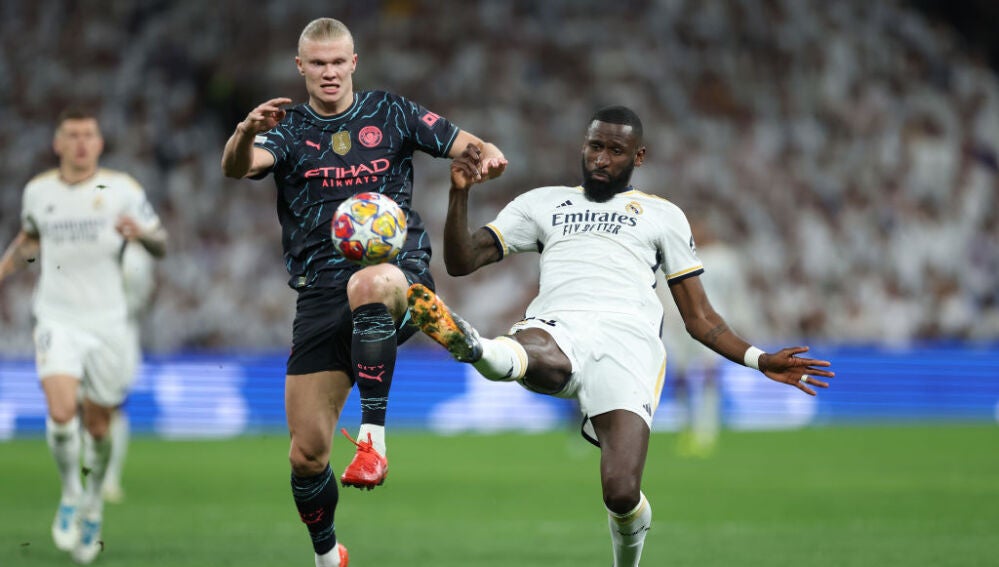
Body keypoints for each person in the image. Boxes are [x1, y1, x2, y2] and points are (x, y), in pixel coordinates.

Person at [406, 105, 834, 567]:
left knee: (622, 492)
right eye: (594, 146)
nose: (601, 159)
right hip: (558, 324)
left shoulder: (662, 215)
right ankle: (475, 346)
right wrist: (459, 196)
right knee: (531, 351)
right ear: (583, 146)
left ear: (639, 156)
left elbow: (700, 317)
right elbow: (461, 260)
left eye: (615, 150)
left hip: (629, 345)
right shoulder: (542, 203)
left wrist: (759, 359)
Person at [220, 17, 506, 567]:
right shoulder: (285, 127)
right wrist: (243, 131)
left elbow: (466, 142)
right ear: (300, 67)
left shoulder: (390, 112)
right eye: (318, 63)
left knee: (374, 279)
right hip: (320, 293)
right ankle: (329, 558)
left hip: (394, 272)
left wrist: (488, 152)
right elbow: (239, 167)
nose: (329, 73)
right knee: (306, 455)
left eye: (338, 62)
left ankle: (373, 437)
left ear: (354, 62)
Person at [0, 107, 167, 564]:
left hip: (108, 323)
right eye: (71, 134)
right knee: (59, 412)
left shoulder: (122, 190)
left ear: (99, 143)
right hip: (56, 318)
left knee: (98, 425)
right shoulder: (38, 191)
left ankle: (93, 502)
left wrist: (142, 235)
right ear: (58, 143)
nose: (79, 142)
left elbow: (161, 243)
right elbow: (30, 240)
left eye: (88, 135)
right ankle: (71, 493)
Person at [657, 217, 756, 457]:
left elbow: (736, 293)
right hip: (680, 325)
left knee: (710, 374)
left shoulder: (724, 258)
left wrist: (743, 322)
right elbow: (663, 290)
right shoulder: (674, 255)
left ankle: (707, 429)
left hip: (714, 323)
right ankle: (686, 425)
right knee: (681, 378)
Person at [101, 240, 160, 503]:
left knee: (114, 406)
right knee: (86, 407)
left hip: (119, 331)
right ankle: (94, 479)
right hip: (88, 329)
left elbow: (143, 299)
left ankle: (110, 479)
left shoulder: (137, 255)